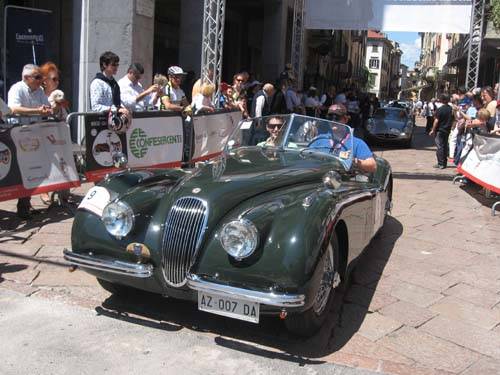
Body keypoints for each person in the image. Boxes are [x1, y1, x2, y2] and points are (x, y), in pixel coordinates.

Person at [7, 64, 52, 219]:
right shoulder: (17, 88)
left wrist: (48, 109)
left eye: (41, 77)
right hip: (18, 135)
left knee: (31, 170)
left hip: (34, 135)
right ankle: (22, 206)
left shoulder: (39, 91)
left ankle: (24, 206)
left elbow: (46, 106)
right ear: (26, 78)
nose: (41, 80)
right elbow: (13, 108)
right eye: (37, 77)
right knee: (17, 171)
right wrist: (38, 111)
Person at [309, 104, 377, 173]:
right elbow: (307, 157)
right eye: (330, 117)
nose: (333, 120)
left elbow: (373, 166)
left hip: (344, 180)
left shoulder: (357, 143)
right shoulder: (319, 139)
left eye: (337, 117)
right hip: (318, 178)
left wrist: (356, 162)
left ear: (345, 119)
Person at [89, 51, 130, 121]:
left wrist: (122, 109)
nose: (116, 67)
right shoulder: (97, 83)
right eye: (113, 65)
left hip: (114, 122)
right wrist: (116, 109)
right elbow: (95, 107)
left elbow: (116, 103)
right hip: (100, 122)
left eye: (117, 65)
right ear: (104, 64)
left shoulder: (114, 83)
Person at [429, 93, 453, 169]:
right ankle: (444, 162)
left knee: (440, 147)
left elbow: (436, 121)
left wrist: (433, 130)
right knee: (445, 146)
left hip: (440, 130)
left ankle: (441, 163)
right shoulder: (450, 109)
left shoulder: (440, 109)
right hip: (447, 130)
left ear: (443, 100)